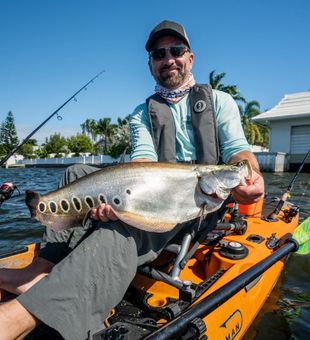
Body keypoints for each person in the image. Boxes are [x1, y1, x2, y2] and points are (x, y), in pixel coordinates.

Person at [0, 20, 264, 339]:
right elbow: (142, 163)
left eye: (176, 50)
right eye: (158, 53)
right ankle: (40, 270)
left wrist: (248, 173)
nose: (168, 58)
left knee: (120, 226)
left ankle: (22, 316)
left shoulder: (220, 101)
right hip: (153, 192)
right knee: (75, 174)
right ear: (150, 64)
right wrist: (122, 197)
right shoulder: (142, 112)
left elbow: (240, 152)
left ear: (190, 58)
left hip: (193, 207)